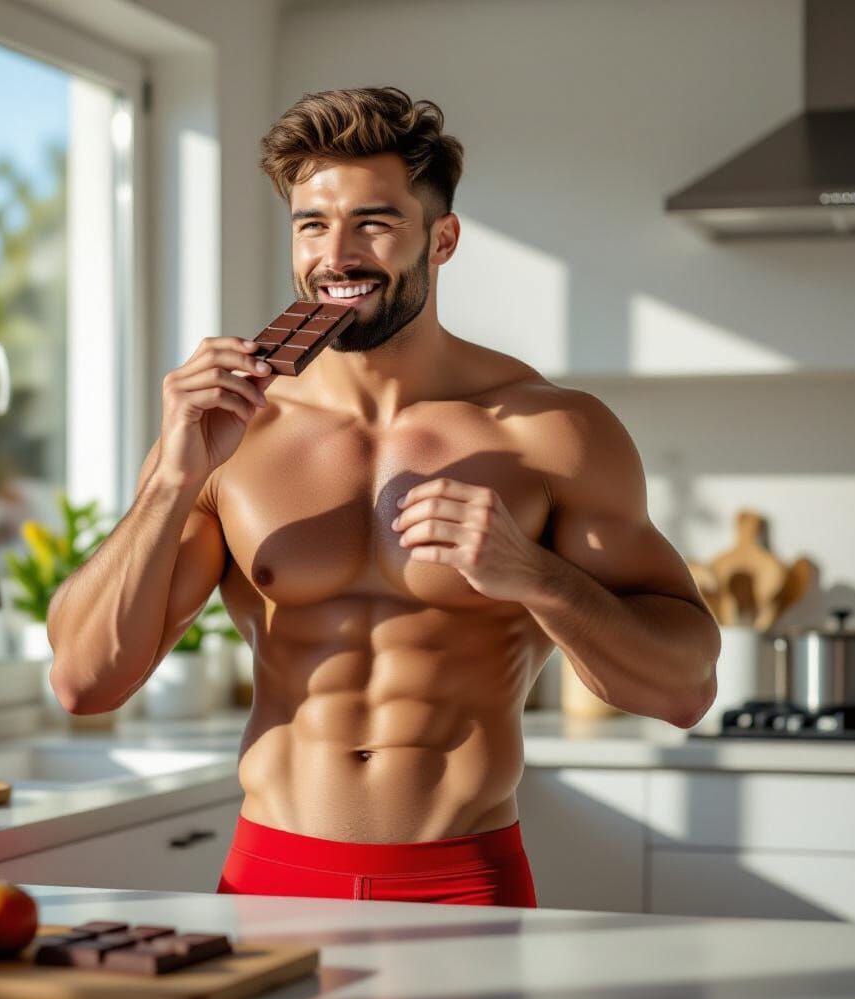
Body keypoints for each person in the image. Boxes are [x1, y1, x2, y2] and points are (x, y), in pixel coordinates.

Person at [48, 87, 720, 908]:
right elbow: (85, 683)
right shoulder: (236, 429)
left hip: (460, 881)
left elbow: (683, 691)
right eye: (311, 224)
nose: (336, 254)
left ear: (442, 240)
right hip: (271, 878)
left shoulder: (548, 431)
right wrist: (170, 479)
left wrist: (533, 576)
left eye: (373, 221)